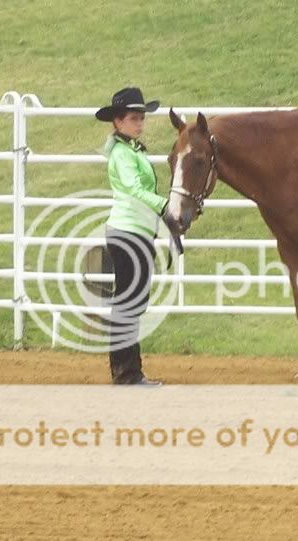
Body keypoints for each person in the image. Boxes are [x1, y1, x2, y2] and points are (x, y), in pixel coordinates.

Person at [95, 86, 167, 385]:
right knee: (129, 304)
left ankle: (127, 370)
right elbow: (136, 191)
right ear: (118, 122)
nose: (140, 123)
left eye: (141, 118)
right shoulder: (124, 155)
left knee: (130, 303)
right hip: (129, 234)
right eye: (135, 118)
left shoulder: (127, 151)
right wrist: (165, 206)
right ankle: (127, 372)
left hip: (132, 232)